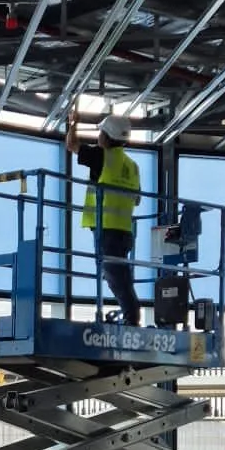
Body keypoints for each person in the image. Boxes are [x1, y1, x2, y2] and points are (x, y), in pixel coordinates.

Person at [77, 113, 142, 324]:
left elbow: (71, 144)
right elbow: (138, 199)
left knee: (116, 278)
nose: (98, 136)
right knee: (119, 277)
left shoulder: (102, 156)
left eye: (100, 132)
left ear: (106, 136)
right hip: (124, 230)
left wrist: (72, 123)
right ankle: (131, 316)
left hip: (107, 230)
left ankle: (132, 319)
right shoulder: (132, 166)